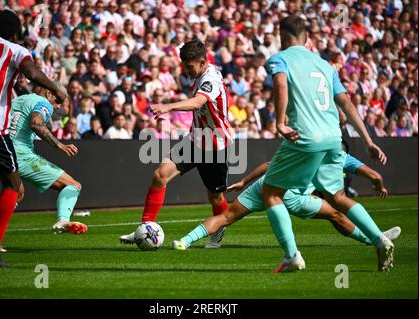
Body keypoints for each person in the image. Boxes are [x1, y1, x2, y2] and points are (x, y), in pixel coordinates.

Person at [261, 15, 392, 273]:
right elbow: (346, 102)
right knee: (337, 196)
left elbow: (279, 83)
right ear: (307, 38)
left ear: (282, 37)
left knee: (271, 193)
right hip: (334, 138)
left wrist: (279, 122)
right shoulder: (325, 65)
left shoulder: (280, 58)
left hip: (305, 137)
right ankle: (380, 238)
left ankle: (291, 256)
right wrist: (368, 140)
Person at [172, 153, 401, 270]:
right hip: (289, 195)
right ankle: (376, 238)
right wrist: (379, 186)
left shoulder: (302, 146)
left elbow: (270, 165)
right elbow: (375, 175)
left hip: (264, 184)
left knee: (225, 217)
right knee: (336, 214)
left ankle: (183, 241)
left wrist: (243, 181)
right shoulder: (340, 156)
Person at [0, 10, 67, 268]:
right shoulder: (15, 50)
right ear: (15, 34)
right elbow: (32, 74)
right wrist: (56, 87)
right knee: (12, 183)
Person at [120, 39, 232, 248]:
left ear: (201, 61)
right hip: (194, 141)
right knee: (159, 175)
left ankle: (218, 229)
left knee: (215, 196)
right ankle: (144, 229)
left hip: (215, 147)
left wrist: (168, 106)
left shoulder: (211, 80)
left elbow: (198, 102)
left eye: (189, 66)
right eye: (184, 65)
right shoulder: (201, 74)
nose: (186, 70)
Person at [9, 84, 87, 235]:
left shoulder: (19, 99)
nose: (57, 107)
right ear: (49, 93)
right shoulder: (43, 103)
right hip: (21, 155)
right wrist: (59, 145)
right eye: (58, 101)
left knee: (16, 194)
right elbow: (36, 124)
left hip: (2, 150)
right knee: (73, 185)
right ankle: (63, 220)